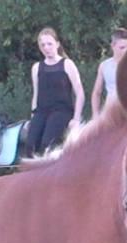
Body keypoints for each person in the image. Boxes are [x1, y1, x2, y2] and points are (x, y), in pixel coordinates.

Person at [26, 28, 85, 156]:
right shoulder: (37, 68)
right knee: (30, 144)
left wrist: (76, 119)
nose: (46, 48)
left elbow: (79, 92)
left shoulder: (67, 64)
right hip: (41, 111)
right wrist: (33, 117)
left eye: (49, 44)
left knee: (47, 144)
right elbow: (36, 94)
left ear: (57, 44)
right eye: (43, 45)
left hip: (61, 111)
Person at [91, 28, 127, 120]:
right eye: (122, 48)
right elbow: (97, 92)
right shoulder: (104, 66)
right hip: (110, 113)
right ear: (113, 46)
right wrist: (95, 114)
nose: (126, 51)